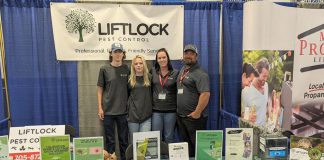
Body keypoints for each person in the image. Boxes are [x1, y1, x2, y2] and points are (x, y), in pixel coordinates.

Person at [176, 44, 210, 157]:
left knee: (198, 149)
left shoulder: (201, 74)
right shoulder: (183, 69)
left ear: (196, 56)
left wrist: (197, 113)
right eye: (186, 53)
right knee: (187, 148)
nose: (188, 56)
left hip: (194, 118)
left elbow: (205, 94)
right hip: (182, 117)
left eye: (191, 53)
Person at [97, 43, 129, 160]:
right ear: (111, 53)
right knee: (110, 141)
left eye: (120, 51)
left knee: (124, 140)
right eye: (115, 51)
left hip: (123, 111)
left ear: (123, 54)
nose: (117, 54)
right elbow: (100, 89)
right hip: (108, 111)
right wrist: (100, 107)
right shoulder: (104, 69)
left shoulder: (127, 69)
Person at [151, 48, 179, 143]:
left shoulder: (175, 73)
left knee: (169, 137)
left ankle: (167, 157)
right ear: (157, 60)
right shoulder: (153, 72)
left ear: (168, 58)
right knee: (156, 137)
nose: (162, 60)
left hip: (171, 111)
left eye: (164, 57)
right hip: (156, 111)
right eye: (159, 58)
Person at [127, 55, 152, 144]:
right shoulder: (129, 79)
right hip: (133, 117)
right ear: (133, 66)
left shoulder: (149, 78)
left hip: (146, 117)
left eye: (140, 63)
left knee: (143, 145)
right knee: (133, 144)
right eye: (136, 63)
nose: (138, 65)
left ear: (144, 65)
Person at [242, 58, 270, 126]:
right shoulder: (246, 90)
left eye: (267, 76)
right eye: (263, 76)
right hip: (251, 131)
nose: (265, 79)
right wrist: (246, 117)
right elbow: (241, 114)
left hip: (263, 130)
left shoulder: (266, 86)